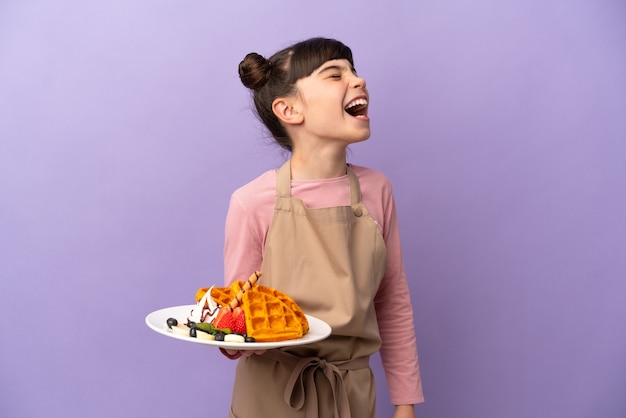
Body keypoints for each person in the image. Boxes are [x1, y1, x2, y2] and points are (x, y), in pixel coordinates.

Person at [221, 37, 424, 418]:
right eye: (335, 74)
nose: (359, 80)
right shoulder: (252, 203)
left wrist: (405, 402)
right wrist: (226, 331)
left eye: (354, 71)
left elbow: (392, 300)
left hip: (350, 394)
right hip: (269, 397)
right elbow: (240, 320)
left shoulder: (377, 190)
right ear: (289, 109)